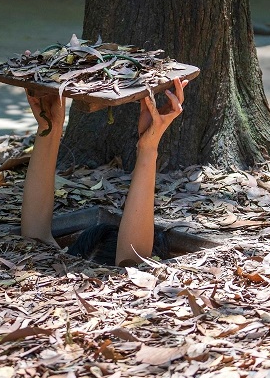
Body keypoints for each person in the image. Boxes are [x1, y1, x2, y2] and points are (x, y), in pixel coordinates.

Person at [20, 77, 189, 266]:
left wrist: (49, 129)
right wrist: (147, 147)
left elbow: (131, 262)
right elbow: (132, 262)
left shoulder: (129, 285)